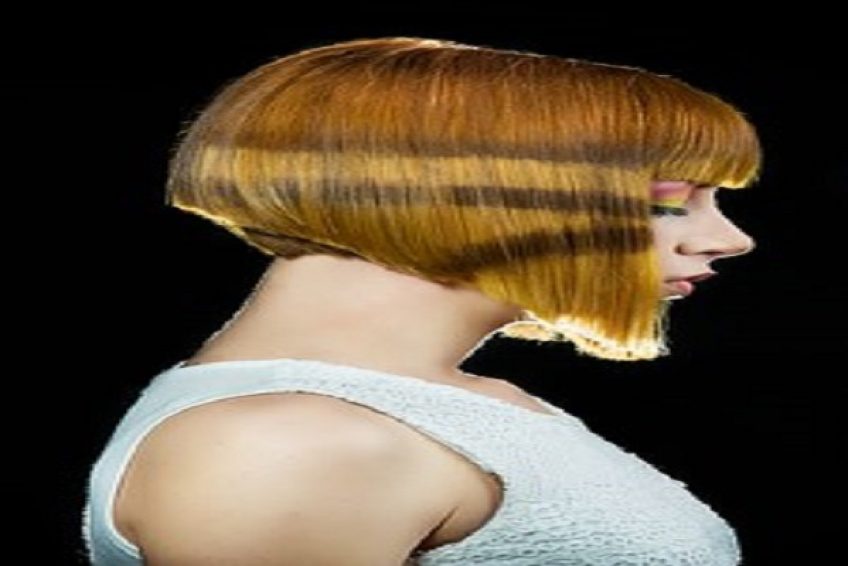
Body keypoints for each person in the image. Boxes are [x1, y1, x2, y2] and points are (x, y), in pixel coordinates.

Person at [83, 36, 759, 565]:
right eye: (665, 202)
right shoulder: (291, 445)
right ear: (466, 198)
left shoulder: (437, 410)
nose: (730, 240)